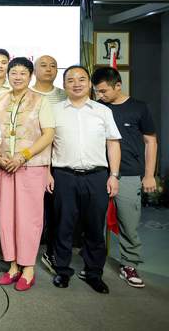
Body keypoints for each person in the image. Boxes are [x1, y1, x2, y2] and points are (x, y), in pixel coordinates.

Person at [51, 66, 121, 294]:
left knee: (94, 226)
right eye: (71, 80)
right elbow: (47, 143)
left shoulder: (103, 111)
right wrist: (47, 173)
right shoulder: (54, 111)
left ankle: (94, 273)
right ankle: (62, 271)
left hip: (96, 176)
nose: (76, 83)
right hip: (64, 175)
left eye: (81, 79)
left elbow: (113, 143)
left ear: (89, 83)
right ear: (64, 85)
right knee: (63, 225)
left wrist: (114, 175)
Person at [92, 67, 157, 288]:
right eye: (97, 91)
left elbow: (150, 142)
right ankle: (92, 262)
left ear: (118, 85)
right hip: (99, 172)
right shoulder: (97, 108)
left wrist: (149, 175)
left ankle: (129, 264)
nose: (100, 96)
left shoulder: (139, 108)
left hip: (129, 174)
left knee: (129, 223)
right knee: (93, 221)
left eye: (103, 91)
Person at [0, 58, 55, 291]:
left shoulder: (41, 101)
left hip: (31, 166)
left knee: (29, 219)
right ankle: (12, 266)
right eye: (14, 72)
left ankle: (28, 268)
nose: (17, 77)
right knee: (5, 217)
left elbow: (48, 135)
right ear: (7, 75)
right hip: (4, 166)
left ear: (30, 76)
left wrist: (24, 155)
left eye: (22, 73)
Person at [31, 55, 67, 274]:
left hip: (60, 160)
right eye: (43, 65)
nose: (48, 69)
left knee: (56, 212)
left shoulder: (64, 95)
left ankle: (51, 252)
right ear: (34, 70)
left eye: (53, 65)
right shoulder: (26, 94)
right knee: (30, 212)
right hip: (31, 160)